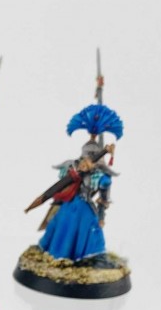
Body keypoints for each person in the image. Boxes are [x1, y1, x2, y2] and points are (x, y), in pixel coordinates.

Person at [36, 104, 123, 267]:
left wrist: (101, 217)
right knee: (60, 226)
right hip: (69, 205)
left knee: (87, 232)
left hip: (85, 208)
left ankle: (87, 260)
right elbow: (63, 187)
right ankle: (56, 256)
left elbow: (103, 201)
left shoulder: (101, 177)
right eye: (85, 158)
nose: (86, 162)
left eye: (91, 158)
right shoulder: (72, 168)